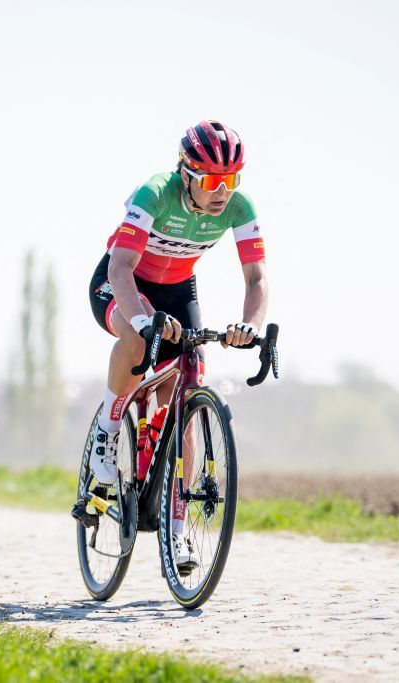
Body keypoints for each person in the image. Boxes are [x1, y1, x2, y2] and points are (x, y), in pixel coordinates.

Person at [87, 120, 270, 569]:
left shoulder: (239, 207)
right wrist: (144, 319)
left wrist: (249, 325)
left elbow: (257, 278)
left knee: (185, 399)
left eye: (231, 180)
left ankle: (178, 531)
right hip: (122, 284)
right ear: (186, 173)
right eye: (211, 180)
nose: (222, 191)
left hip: (178, 289)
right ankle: (107, 435)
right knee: (134, 338)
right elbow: (120, 269)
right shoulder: (155, 194)